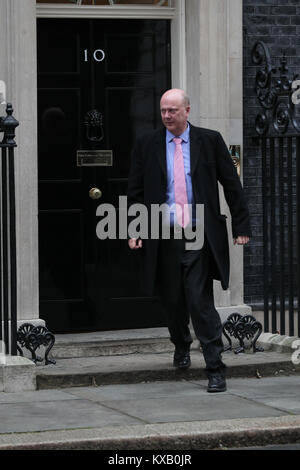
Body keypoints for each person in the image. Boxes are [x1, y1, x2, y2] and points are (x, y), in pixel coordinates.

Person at [127, 89, 251, 393]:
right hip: (164, 235)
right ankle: (181, 344)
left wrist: (241, 225)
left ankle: (214, 367)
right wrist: (135, 228)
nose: (167, 116)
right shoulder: (147, 144)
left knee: (199, 301)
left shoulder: (211, 140)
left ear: (187, 110)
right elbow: (136, 190)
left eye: (173, 110)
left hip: (199, 235)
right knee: (172, 300)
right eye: (163, 111)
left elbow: (231, 183)